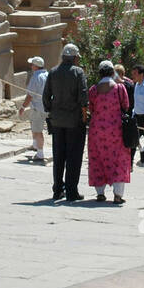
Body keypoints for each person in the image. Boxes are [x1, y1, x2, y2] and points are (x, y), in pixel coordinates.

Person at [42, 43, 89, 202]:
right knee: (73, 157)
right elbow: (83, 98)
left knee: (58, 156)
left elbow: (46, 96)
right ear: (75, 58)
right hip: (74, 120)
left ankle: (57, 190)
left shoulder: (53, 72)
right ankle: (71, 191)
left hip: (56, 121)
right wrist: (84, 116)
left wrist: (52, 110)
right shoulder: (78, 72)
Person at [86, 60, 132, 204]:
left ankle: (100, 193)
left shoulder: (93, 90)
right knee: (119, 160)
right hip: (116, 131)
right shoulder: (119, 88)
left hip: (97, 131)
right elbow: (126, 106)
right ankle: (118, 195)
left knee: (97, 159)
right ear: (113, 72)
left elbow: (91, 109)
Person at [16, 55, 49, 164]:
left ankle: (40, 153)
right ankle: (35, 145)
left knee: (38, 130)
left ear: (35, 66)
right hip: (46, 106)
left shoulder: (35, 77)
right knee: (34, 126)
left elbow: (30, 95)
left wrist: (22, 107)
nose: (31, 66)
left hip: (38, 107)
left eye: (32, 64)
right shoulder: (47, 75)